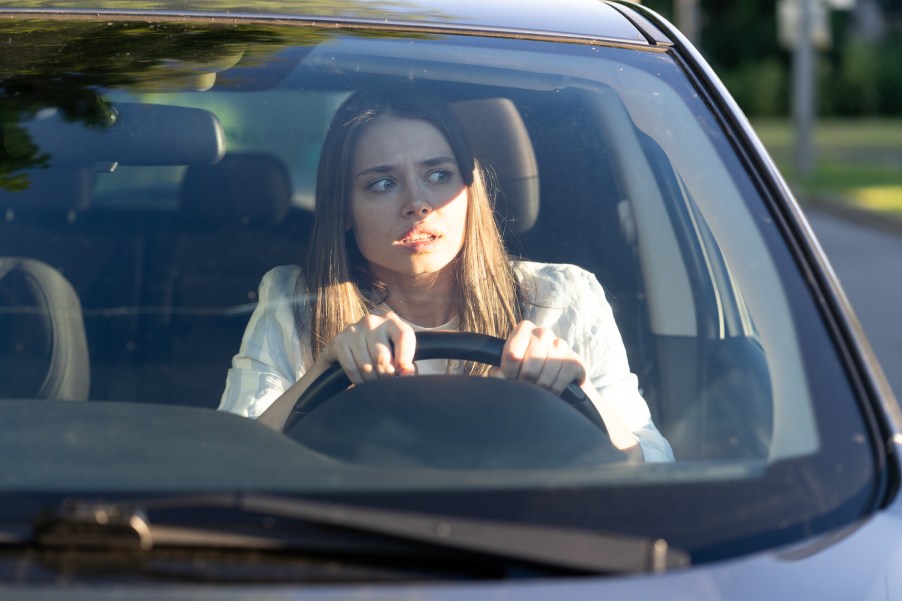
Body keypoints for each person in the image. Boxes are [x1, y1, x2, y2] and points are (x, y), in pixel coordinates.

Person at [219, 88, 673, 463]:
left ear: (470, 191)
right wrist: (321, 372)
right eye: (383, 183)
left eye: (439, 175)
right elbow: (228, 464)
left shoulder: (563, 298)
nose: (418, 203)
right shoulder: (295, 302)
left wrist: (579, 391)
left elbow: (652, 465)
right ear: (342, 209)